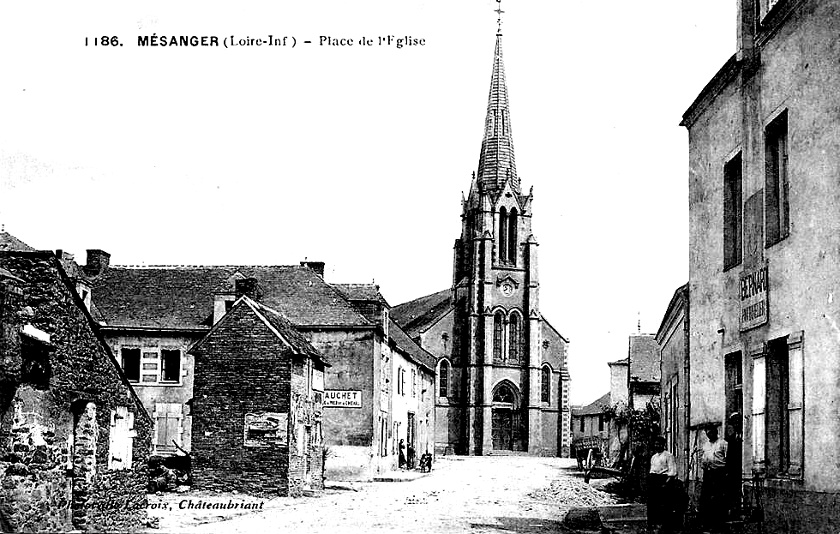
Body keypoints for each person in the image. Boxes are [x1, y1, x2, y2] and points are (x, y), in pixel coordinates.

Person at [700, 424, 728, 531]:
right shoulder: (706, 445)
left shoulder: (723, 444)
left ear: (716, 431)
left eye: (711, 431)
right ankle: (707, 524)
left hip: (719, 473)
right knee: (706, 499)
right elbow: (703, 458)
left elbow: (727, 459)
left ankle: (718, 525)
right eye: (707, 432)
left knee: (718, 499)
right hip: (708, 473)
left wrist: (725, 473)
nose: (709, 434)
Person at [648, 436, 678, 533]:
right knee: (653, 503)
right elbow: (651, 471)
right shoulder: (654, 457)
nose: (657, 446)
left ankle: (665, 526)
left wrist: (666, 484)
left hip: (664, 480)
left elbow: (672, 471)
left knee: (664, 504)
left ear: (663, 444)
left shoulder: (668, 455)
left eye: (659, 444)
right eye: (656, 444)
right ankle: (653, 524)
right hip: (654, 480)